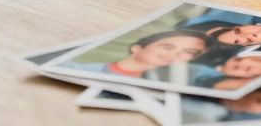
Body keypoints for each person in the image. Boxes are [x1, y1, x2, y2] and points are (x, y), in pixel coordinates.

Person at [66, 30, 208, 78]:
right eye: (167, 46)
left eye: (188, 52)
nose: (175, 54)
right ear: (136, 48)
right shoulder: (73, 68)